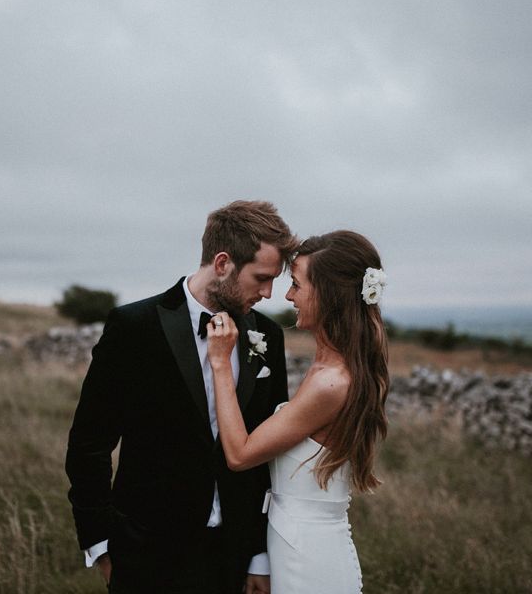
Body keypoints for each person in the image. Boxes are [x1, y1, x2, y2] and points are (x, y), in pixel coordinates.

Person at [65, 200, 298, 594]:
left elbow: (266, 456)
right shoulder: (134, 328)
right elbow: (90, 443)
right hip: (145, 555)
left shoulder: (267, 338)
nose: (268, 292)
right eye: (261, 278)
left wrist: (258, 553)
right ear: (222, 264)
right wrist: (101, 544)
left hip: (233, 558)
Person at [206, 230, 389, 594]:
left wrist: (221, 363)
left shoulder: (330, 383)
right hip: (295, 543)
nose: (288, 295)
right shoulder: (331, 368)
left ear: (328, 293)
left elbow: (241, 455)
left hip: (309, 556)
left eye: (296, 284)